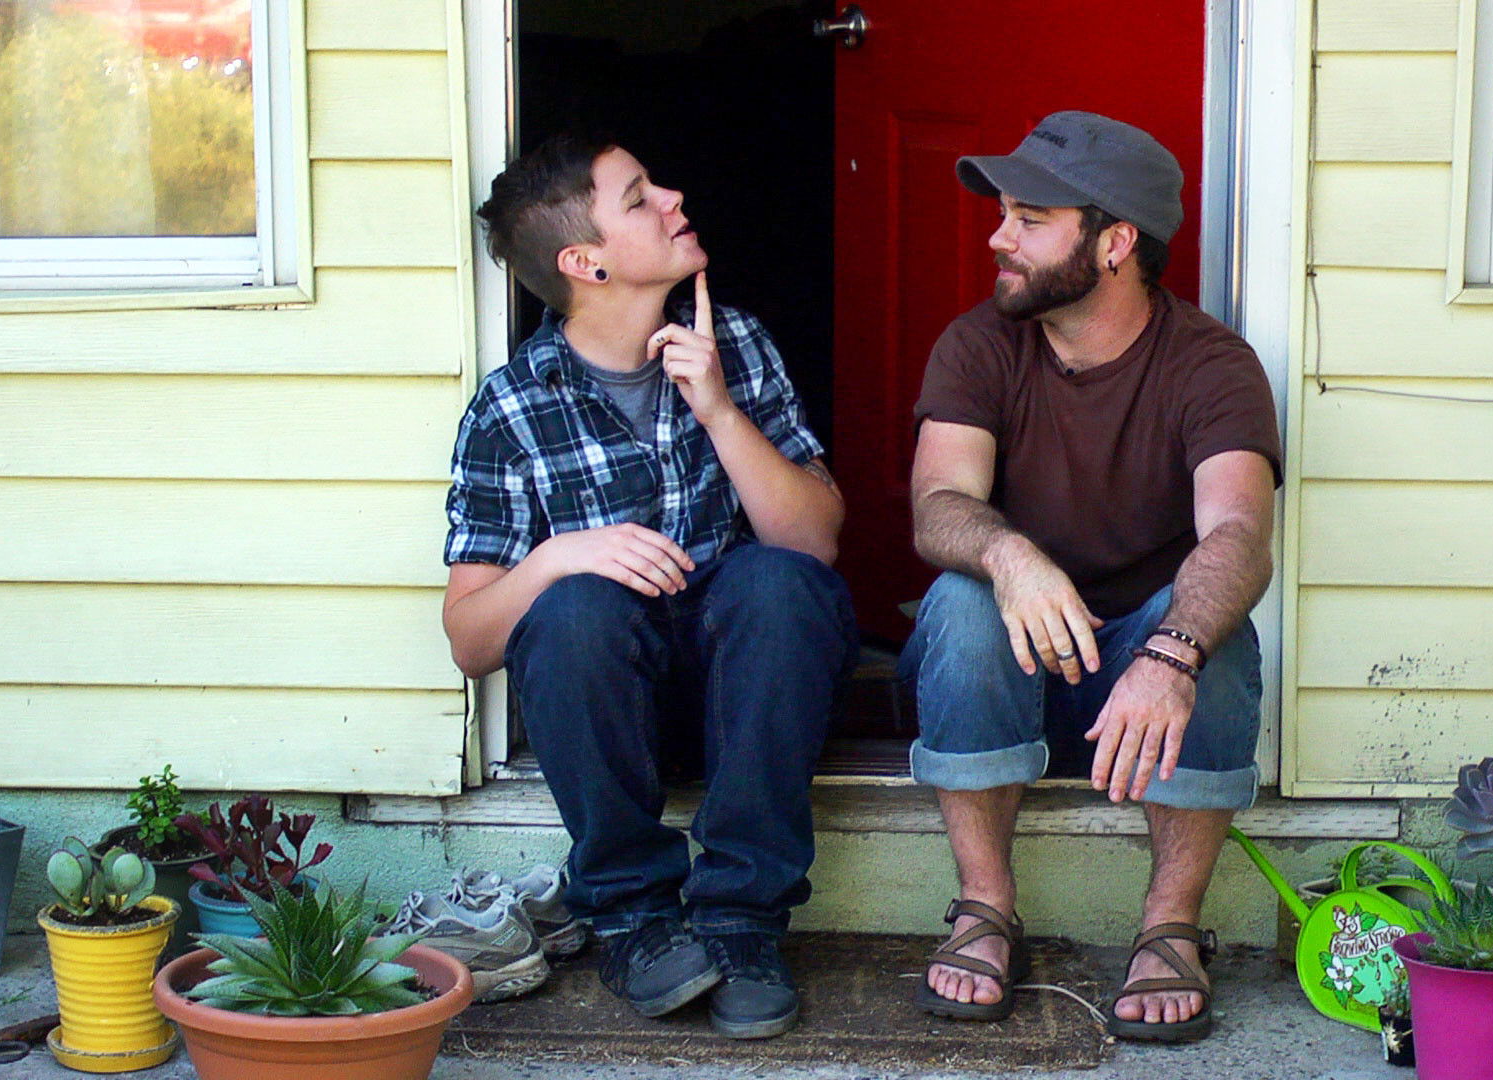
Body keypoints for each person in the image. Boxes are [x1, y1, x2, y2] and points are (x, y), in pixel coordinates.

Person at [442, 132, 857, 1040]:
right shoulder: (512, 407)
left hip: (750, 702)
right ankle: (632, 916)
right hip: (610, 714)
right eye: (638, 197)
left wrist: (719, 409)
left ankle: (742, 919)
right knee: (572, 608)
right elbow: (470, 641)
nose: (672, 197)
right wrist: (559, 556)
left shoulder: (732, 343)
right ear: (584, 263)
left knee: (778, 584)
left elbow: (814, 543)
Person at [903, 111, 1282, 1043]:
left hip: (1144, 691)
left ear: (1115, 244)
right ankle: (985, 909)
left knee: (1215, 631)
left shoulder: (1211, 364)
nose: (998, 238)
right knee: (961, 601)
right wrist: (1010, 555)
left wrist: (1171, 654)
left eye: (1030, 220)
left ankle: (1170, 928)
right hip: (1014, 669)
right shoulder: (980, 343)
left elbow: (1239, 534)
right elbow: (938, 505)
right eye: (1005, 214)